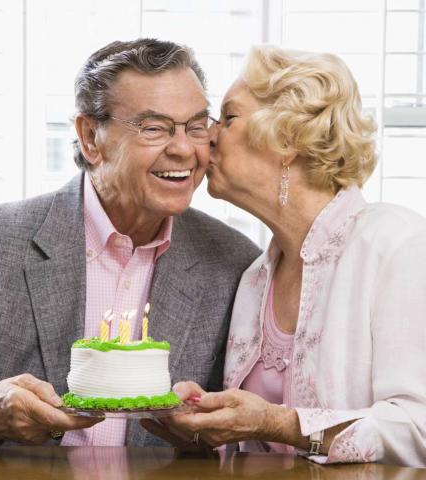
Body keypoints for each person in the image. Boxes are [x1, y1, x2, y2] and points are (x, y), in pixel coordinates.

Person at [0, 38, 261, 451]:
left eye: (196, 126)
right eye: (154, 128)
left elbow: (245, 440)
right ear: (91, 137)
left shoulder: (236, 264)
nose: (184, 149)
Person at [143, 45, 426, 467]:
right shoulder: (254, 277)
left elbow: (417, 430)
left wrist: (280, 422)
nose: (209, 135)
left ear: (289, 139)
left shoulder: (398, 244)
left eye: (230, 116)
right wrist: (204, 428)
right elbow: (255, 447)